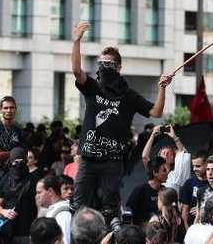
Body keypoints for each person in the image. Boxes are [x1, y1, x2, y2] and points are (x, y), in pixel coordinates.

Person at [71, 21, 173, 222]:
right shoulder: (93, 87)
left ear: (118, 68)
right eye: (101, 64)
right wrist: (76, 41)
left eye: (108, 64)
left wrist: (162, 87)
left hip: (113, 161)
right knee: (78, 205)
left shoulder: (129, 96)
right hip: (89, 158)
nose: (103, 67)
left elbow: (156, 110)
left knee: (110, 207)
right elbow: (76, 71)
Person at [0, 147, 37, 244]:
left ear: (26, 162)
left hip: (27, 233)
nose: (18, 166)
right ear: (10, 162)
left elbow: (40, 205)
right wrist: (4, 212)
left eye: (21, 162)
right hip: (7, 232)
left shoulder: (33, 181)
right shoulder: (5, 180)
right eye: (15, 162)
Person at [127, 157, 168, 225]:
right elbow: (129, 212)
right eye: (164, 170)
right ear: (155, 173)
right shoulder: (140, 190)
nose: (167, 172)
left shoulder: (164, 190)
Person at [36, 175, 72, 244]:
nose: (37, 196)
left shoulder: (62, 214)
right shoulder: (54, 210)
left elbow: (66, 242)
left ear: (50, 191)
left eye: (39, 192)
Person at [180, 150, 207, 229]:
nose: (195, 169)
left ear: (206, 165)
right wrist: (187, 229)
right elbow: (184, 210)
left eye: (198, 166)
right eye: (193, 166)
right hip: (192, 226)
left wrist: (202, 209)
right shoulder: (189, 183)